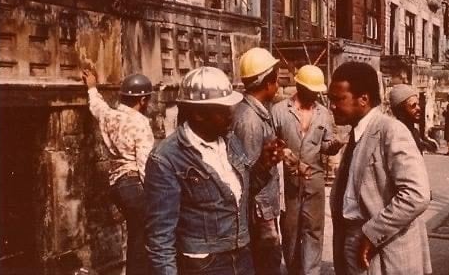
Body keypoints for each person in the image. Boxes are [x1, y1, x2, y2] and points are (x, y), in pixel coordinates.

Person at [144, 66, 284, 275]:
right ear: (199, 115)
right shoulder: (167, 159)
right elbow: (160, 239)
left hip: (241, 258)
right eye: (223, 109)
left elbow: (240, 196)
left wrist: (263, 166)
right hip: (204, 265)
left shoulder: (230, 141)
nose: (231, 114)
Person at [328, 61, 432, 275]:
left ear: (363, 99)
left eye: (338, 99)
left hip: (382, 248)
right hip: (352, 239)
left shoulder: (390, 131)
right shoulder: (356, 132)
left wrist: (372, 233)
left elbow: (416, 195)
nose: (332, 106)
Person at [271, 65, 344, 275]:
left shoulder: (324, 114)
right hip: (289, 180)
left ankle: (311, 271)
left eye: (316, 91)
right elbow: (272, 143)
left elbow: (326, 146)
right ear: (300, 86)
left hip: (314, 179)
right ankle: (294, 270)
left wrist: (335, 145)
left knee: (313, 229)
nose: (314, 94)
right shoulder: (279, 111)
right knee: (290, 230)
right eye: (310, 90)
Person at [82, 70, 154, 275]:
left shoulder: (110, 116)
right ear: (142, 100)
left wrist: (91, 87)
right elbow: (145, 165)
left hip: (117, 185)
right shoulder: (141, 123)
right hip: (134, 186)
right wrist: (155, 196)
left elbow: (97, 107)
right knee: (143, 242)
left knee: (136, 236)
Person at [231, 47, 283, 275]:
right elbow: (248, 174)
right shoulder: (250, 120)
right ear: (268, 83)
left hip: (263, 208)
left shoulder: (255, 112)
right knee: (267, 264)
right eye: (277, 80)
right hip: (259, 211)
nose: (278, 86)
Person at [389, 84, 428, 154]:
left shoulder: (414, 132)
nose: (418, 108)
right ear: (401, 110)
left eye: (418, 104)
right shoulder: (395, 135)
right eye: (413, 105)